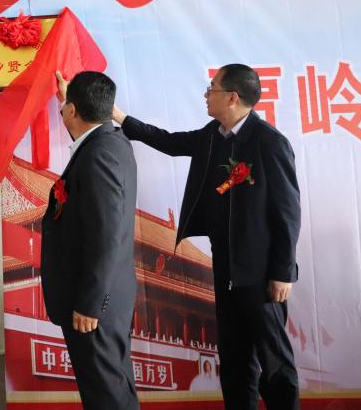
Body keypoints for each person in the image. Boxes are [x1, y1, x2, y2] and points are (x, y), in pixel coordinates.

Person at [114, 63, 301, 409]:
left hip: (261, 274)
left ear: (232, 97)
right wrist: (119, 116)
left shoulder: (269, 142)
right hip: (226, 269)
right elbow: (168, 142)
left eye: (211, 89)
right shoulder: (213, 135)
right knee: (234, 358)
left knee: (274, 361)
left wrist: (283, 272)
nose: (205, 95)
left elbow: (288, 212)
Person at [42, 71, 139, 409]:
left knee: (106, 396)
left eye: (66, 107)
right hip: (107, 297)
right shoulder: (112, 141)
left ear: (72, 111)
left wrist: (89, 302)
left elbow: (106, 235)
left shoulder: (98, 154)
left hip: (97, 303)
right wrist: (68, 98)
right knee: (112, 388)